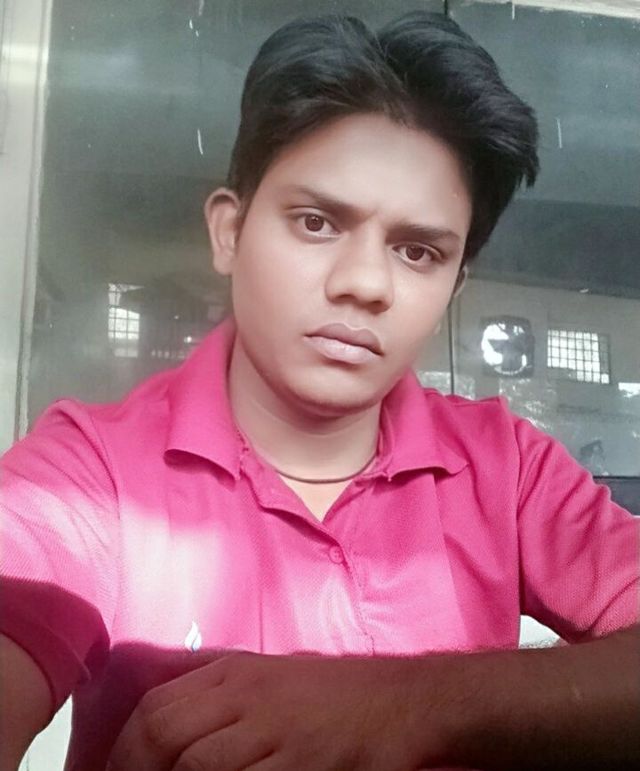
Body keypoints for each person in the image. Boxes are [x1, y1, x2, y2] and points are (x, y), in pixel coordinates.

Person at [1, 11, 638, 771]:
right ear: (229, 232)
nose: (365, 283)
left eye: (417, 251)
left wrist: (404, 704)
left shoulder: (509, 468)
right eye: (316, 222)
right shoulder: (91, 476)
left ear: (454, 285)